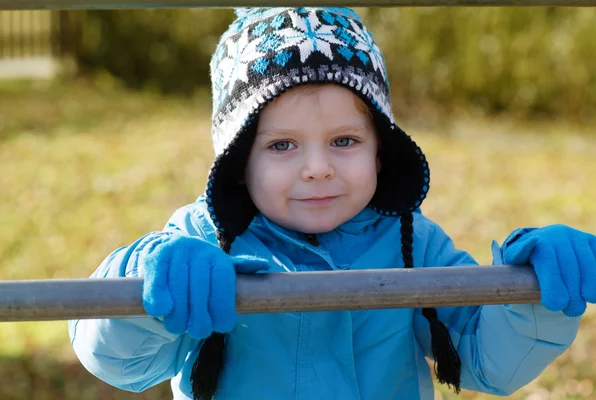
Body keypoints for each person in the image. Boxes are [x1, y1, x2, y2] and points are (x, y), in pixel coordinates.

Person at [69, 7, 596, 400]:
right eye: (281, 146)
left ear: (381, 152)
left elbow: (489, 360)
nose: (317, 167)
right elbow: (117, 361)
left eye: (344, 141)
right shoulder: (201, 240)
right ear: (238, 163)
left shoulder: (413, 240)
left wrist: (531, 296)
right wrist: (149, 283)